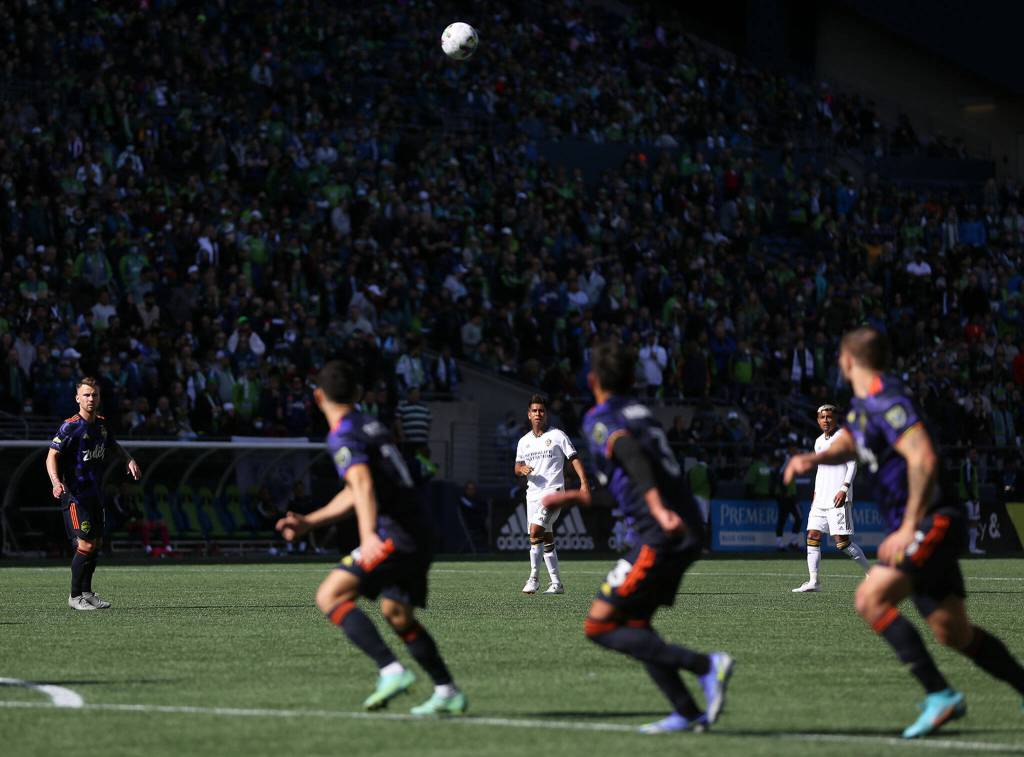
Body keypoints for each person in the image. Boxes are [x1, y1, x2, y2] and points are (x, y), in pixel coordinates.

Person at [785, 328, 1024, 739]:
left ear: (848, 361)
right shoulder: (863, 406)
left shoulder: (888, 399)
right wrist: (813, 457)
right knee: (954, 632)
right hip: (924, 523)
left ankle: (940, 694)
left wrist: (911, 524)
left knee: (870, 597)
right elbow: (857, 445)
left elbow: (923, 457)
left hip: (933, 520)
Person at [542, 340, 734, 734]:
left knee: (600, 626)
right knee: (635, 624)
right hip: (681, 527)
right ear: (633, 378)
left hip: (658, 532)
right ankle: (685, 711)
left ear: (592, 380)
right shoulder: (643, 413)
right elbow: (629, 473)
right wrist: (579, 495)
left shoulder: (602, 417)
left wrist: (658, 509)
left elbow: (631, 456)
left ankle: (705, 665)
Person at [275, 360, 466, 715]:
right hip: (419, 527)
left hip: (397, 533)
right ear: (359, 394)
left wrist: (366, 537)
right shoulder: (370, 425)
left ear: (317, 397)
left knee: (330, 594)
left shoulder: (343, 433)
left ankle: (391, 670)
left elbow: (361, 485)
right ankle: (447, 690)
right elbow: (357, 487)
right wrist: (310, 522)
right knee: (396, 612)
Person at [46, 376, 141, 610]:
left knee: (97, 544)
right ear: (77, 398)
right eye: (86, 394)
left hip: (95, 495)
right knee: (86, 545)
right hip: (75, 496)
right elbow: (51, 456)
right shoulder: (70, 426)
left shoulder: (101, 424)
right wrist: (56, 482)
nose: (91, 398)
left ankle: (87, 593)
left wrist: (128, 459)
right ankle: (74, 596)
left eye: (94, 394)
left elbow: (113, 444)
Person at [513, 394, 590, 594]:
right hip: (533, 494)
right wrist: (521, 470)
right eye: (534, 410)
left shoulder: (557, 436)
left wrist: (584, 482)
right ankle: (556, 583)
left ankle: (533, 578)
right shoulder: (524, 442)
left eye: (541, 410)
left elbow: (574, 458)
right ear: (529, 414)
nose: (538, 414)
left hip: (554, 492)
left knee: (535, 532)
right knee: (545, 536)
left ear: (546, 414)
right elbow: (517, 467)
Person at [792, 404, 870, 592]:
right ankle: (814, 581)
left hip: (837, 498)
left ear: (836, 418)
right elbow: (821, 468)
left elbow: (852, 465)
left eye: (829, 416)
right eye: (822, 417)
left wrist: (844, 489)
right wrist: (816, 493)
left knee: (842, 543)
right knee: (812, 536)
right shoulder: (818, 441)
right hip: (820, 499)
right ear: (818, 420)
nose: (826, 420)